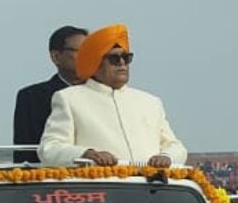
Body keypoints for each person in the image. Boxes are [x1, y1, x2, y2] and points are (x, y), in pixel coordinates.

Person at [37, 24, 187, 167]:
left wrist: (166, 157)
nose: (122, 63)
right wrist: (86, 154)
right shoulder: (69, 99)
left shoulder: (150, 102)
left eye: (126, 58)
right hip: (100, 190)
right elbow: (49, 149)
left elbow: (175, 147)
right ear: (94, 63)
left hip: (149, 189)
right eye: (114, 59)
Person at [12, 25, 87, 163]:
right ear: (56, 56)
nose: (86, 56)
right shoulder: (31, 97)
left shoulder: (102, 93)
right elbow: (24, 154)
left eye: (90, 51)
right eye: (79, 51)